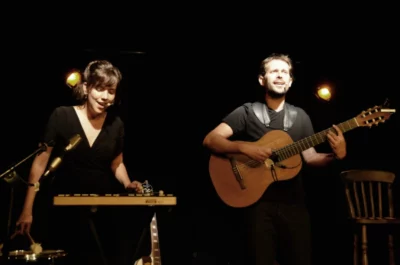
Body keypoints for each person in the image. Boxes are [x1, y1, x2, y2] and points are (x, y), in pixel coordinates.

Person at [202, 53, 347, 265]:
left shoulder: (301, 117)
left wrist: (337, 155)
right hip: (256, 206)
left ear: (290, 81)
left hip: (294, 204)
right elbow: (210, 139)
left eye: (284, 72)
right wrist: (244, 147)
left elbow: (311, 157)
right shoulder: (247, 112)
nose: (280, 76)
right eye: (274, 71)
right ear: (262, 79)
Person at [14, 60, 144, 265]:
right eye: (99, 89)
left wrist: (127, 184)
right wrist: (27, 209)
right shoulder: (61, 115)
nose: (105, 97)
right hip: (62, 213)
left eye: (110, 91)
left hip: (102, 213)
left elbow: (117, 163)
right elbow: (40, 164)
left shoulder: (116, 124)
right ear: (86, 88)